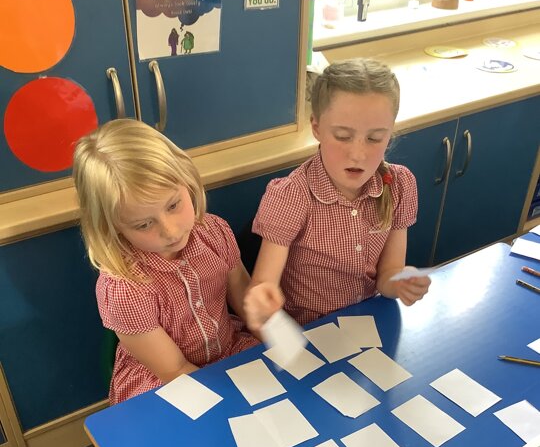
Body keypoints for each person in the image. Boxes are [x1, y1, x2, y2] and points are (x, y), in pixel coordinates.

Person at [73, 119, 257, 405]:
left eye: (173, 205)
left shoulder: (214, 231)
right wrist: (237, 403)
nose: (170, 232)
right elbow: (174, 370)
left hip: (228, 349)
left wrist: (278, 339)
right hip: (166, 380)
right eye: (144, 224)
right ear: (112, 227)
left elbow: (245, 298)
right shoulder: (124, 288)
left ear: (187, 181)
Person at [244, 58, 431, 328]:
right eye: (343, 136)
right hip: (310, 330)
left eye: (375, 138)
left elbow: (388, 275)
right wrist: (261, 298)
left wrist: (401, 282)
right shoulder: (291, 196)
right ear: (317, 128)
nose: (357, 154)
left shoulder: (399, 184)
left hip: (368, 323)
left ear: (390, 133)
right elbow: (263, 284)